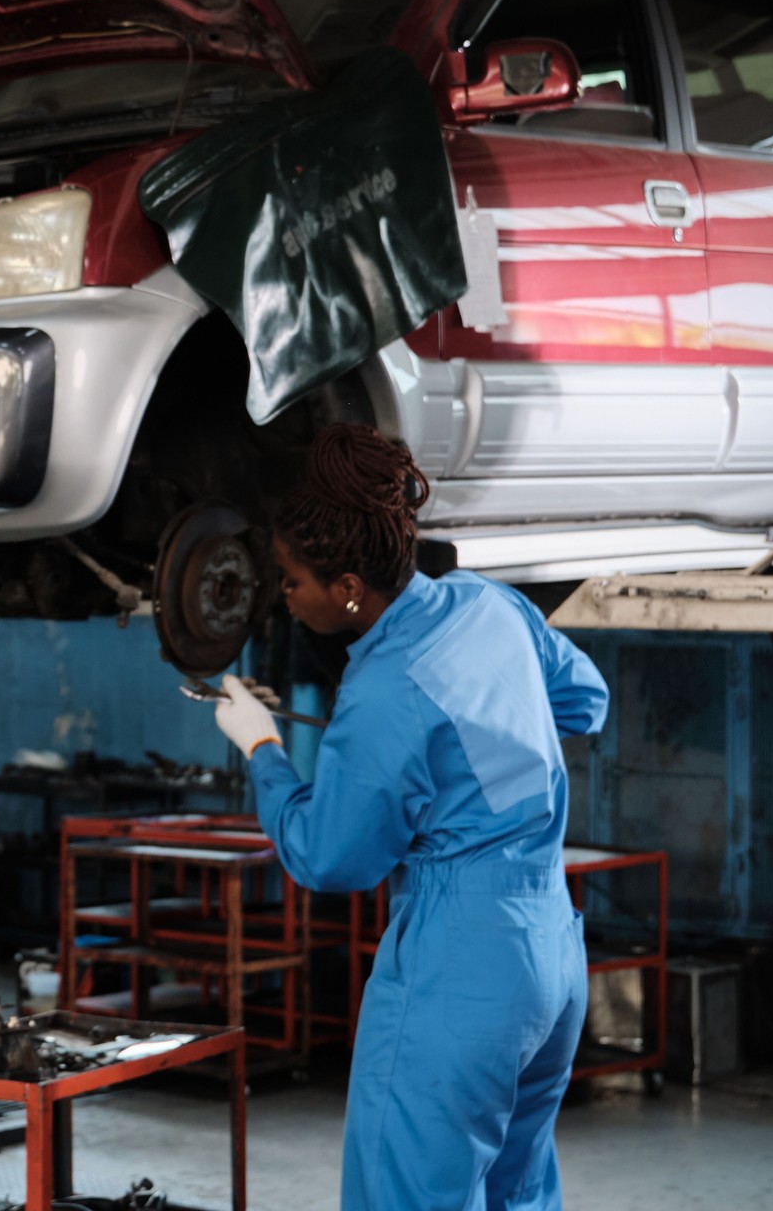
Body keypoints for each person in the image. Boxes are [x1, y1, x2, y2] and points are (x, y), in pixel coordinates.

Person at [211, 423, 609, 1211]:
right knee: (516, 1195)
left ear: (349, 586)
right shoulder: (489, 604)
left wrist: (261, 748)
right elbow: (584, 701)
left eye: (291, 581)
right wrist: (483, 740)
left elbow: (331, 859)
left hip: (460, 969)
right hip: (550, 958)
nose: (283, 598)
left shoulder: (384, 690)